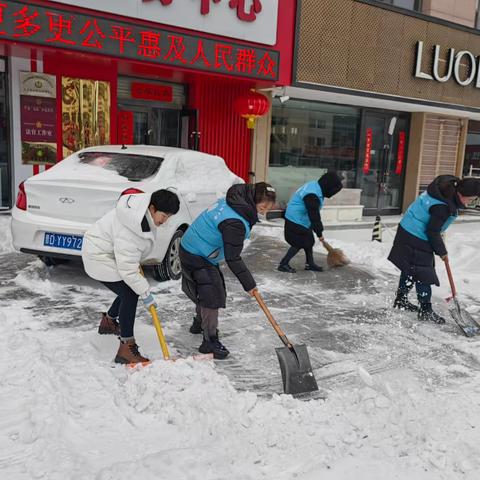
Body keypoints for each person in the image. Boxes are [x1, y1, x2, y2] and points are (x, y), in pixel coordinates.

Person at [82, 189, 180, 364]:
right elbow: (127, 269)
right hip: (98, 256)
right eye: (163, 215)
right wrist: (145, 292)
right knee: (131, 292)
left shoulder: (141, 213)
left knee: (129, 287)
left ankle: (109, 322)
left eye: (168, 217)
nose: (164, 221)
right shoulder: (133, 227)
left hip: (108, 252)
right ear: (152, 207)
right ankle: (126, 347)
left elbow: (129, 256)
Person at [179, 182, 276, 359]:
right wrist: (249, 284)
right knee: (212, 294)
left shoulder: (235, 202)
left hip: (191, 247)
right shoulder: (235, 221)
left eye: (268, 208)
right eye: (262, 207)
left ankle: (199, 322)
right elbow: (233, 258)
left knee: (206, 287)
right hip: (198, 254)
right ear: (253, 200)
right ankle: (210, 341)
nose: (264, 212)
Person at [388, 175, 480, 323]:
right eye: (470, 199)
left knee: (411, 268)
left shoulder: (446, 189)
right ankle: (425, 310)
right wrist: (442, 251)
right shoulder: (442, 207)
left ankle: (401, 300)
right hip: (415, 235)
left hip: (408, 229)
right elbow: (432, 231)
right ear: (461, 194)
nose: (470, 203)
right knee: (424, 273)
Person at [278, 172, 344, 273]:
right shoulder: (312, 195)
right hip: (295, 220)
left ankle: (310, 263)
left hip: (300, 219)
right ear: (329, 186)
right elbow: (314, 214)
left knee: (309, 242)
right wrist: (319, 233)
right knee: (299, 242)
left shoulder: (315, 186)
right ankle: (283, 264)